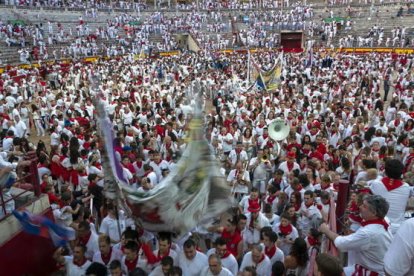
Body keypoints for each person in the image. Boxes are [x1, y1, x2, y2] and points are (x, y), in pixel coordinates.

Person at [319, 195, 392, 275]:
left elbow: (341, 243)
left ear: (374, 213)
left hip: (371, 271)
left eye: (364, 206)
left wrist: (326, 230)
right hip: (374, 267)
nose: (360, 207)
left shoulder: (368, 233)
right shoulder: (385, 219)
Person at [370, 158, 413, 234]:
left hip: (378, 226)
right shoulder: (406, 187)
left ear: (385, 171)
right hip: (398, 228)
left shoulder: (376, 183)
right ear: (401, 174)